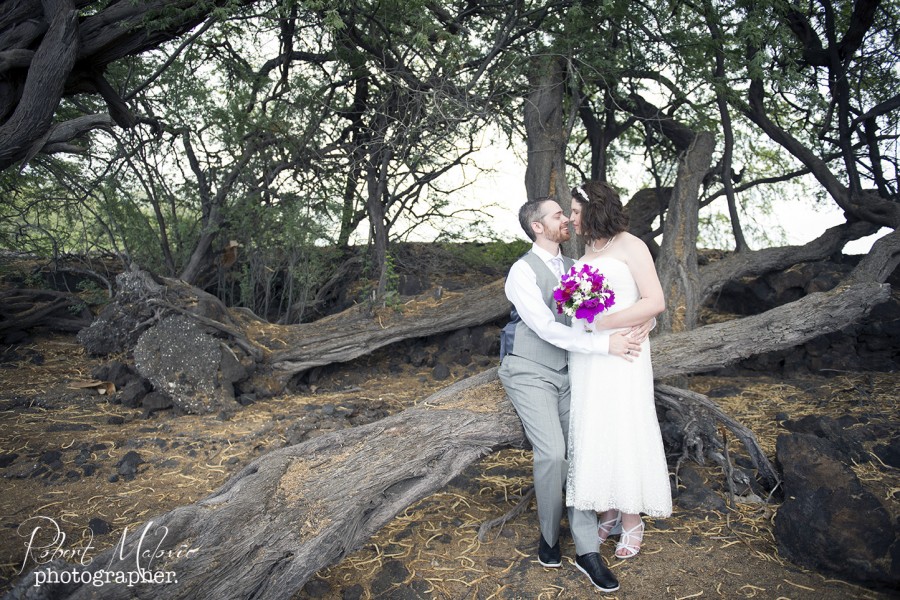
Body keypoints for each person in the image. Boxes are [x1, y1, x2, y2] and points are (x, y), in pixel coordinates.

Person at [498, 196, 647, 593]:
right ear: (538, 227)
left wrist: (642, 320)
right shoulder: (521, 272)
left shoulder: (577, 267)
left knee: (581, 453)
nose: (567, 218)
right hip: (529, 369)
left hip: (572, 371)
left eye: (566, 214)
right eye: (558, 215)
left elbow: (594, 318)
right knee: (553, 453)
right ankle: (548, 536)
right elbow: (546, 328)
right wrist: (605, 346)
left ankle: (587, 552)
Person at [565, 181, 672, 561]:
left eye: (576, 212)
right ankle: (605, 508)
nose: (572, 219)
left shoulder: (631, 244)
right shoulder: (587, 251)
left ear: (594, 209)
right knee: (595, 425)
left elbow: (655, 299)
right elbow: (581, 311)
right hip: (590, 358)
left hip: (624, 354)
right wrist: (587, 321)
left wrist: (605, 323)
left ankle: (631, 519)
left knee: (625, 425)